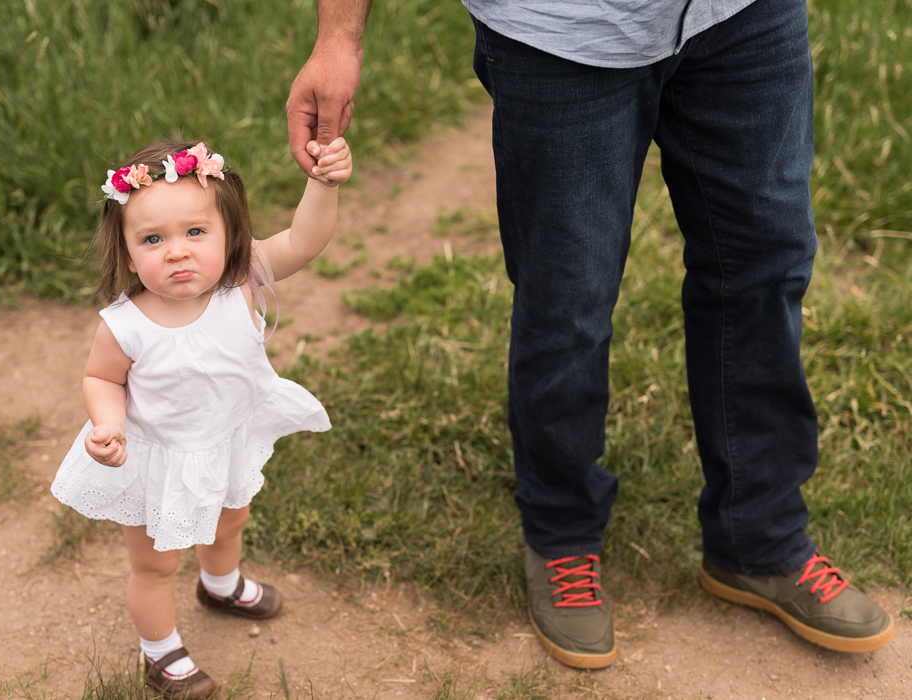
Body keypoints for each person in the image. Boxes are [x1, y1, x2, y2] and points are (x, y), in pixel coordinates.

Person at [286, 0, 895, 670]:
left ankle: (761, 539)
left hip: (745, 17)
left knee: (766, 266)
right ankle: (562, 534)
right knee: (566, 299)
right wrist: (339, 36)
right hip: (562, 33)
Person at [51, 136, 353, 697]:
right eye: (152, 239)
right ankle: (160, 652)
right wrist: (108, 424)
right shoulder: (126, 325)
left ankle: (219, 584)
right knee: (156, 564)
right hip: (158, 459)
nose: (176, 251)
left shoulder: (244, 280)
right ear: (126, 250)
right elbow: (101, 379)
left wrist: (324, 182)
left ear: (229, 233)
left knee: (229, 520)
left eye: (195, 232)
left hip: (226, 439)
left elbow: (306, 241)